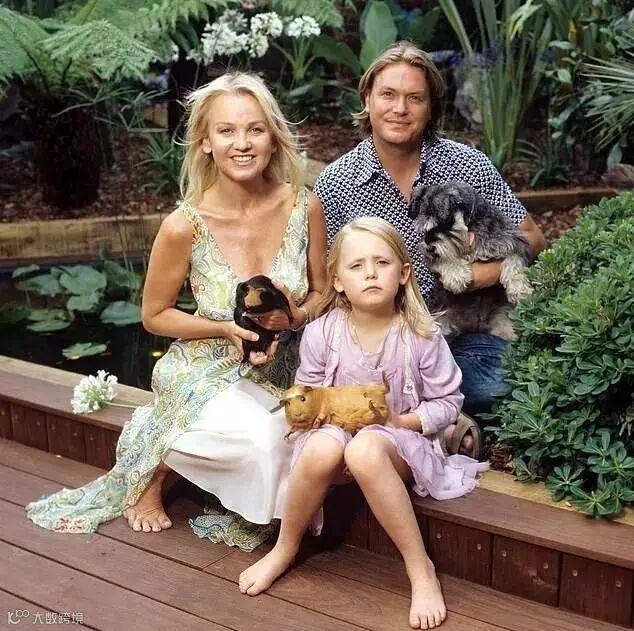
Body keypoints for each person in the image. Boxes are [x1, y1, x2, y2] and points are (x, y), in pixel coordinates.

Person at [26, 72, 327, 541]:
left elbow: (324, 291)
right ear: (205, 142)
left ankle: (175, 450)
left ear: (273, 137)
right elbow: (154, 316)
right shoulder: (183, 226)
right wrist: (223, 329)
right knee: (266, 444)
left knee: (303, 444)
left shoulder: (304, 206)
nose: (242, 144)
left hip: (290, 364)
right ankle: (159, 459)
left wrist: (296, 317)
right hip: (206, 369)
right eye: (226, 131)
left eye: (255, 129)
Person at [239, 217, 488, 630]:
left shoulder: (421, 335)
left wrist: (404, 419)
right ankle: (285, 546)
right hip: (335, 438)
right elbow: (308, 389)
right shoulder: (321, 333)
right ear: (338, 281)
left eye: (382, 263)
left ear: (403, 274)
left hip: (395, 443)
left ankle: (420, 567)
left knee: (365, 448)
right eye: (357, 266)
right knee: (325, 446)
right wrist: (310, 411)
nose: (370, 273)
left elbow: (449, 402)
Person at [312, 42, 547, 448]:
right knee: (379, 381)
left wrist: (485, 273)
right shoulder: (336, 184)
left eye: (415, 98)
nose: (399, 109)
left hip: (461, 329)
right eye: (388, 95)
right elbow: (327, 280)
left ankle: (428, 414)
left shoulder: (467, 164)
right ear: (367, 99)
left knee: (500, 383)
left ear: (431, 106)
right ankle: (440, 420)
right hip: (381, 338)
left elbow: (534, 237)